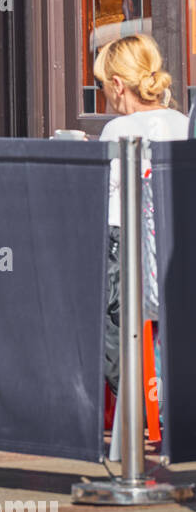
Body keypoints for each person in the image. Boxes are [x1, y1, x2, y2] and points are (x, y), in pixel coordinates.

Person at [94, 33, 187, 393]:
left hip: (125, 251)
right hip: (174, 249)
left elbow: (105, 201)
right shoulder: (181, 122)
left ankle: (134, 407)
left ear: (118, 85)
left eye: (103, 86)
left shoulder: (116, 130)